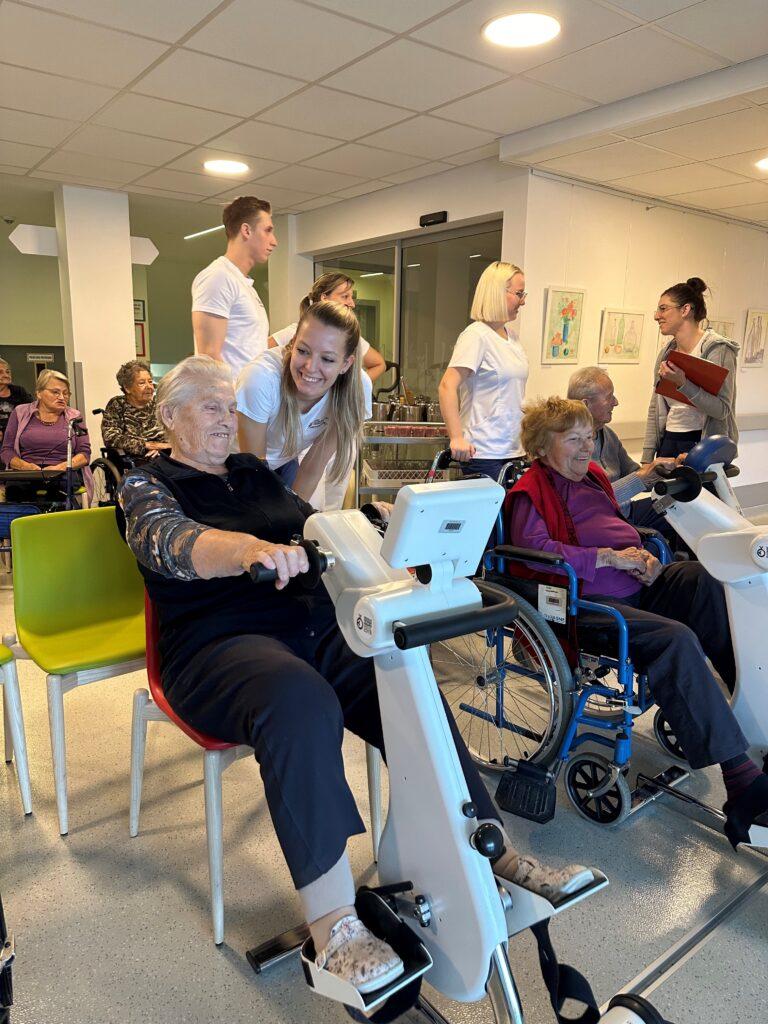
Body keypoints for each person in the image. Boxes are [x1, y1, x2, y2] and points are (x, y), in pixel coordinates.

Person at [118, 357, 594, 996]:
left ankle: (494, 853)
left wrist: (373, 523)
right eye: (211, 407)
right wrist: (250, 551)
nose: (227, 419)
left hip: (309, 629)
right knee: (301, 702)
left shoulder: (250, 471)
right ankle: (334, 926)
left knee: (406, 676)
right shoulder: (146, 484)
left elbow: (309, 520)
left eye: (230, 407)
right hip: (215, 646)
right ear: (170, 416)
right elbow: (172, 543)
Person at [505, 396, 768, 849]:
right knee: (674, 638)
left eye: (590, 437)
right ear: (542, 445)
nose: (587, 447)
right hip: (588, 605)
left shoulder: (594, 477)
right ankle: (740, 778)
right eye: (574, 439)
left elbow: (622, 527)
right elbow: (535, 554)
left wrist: (644, 557)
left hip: (636, 585)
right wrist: (608, 558)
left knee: (706, 581)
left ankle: (748, 706)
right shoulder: (530, 492)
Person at [236, 301, 371, 505]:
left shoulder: (357, 389)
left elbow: (314, 465)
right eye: (303, 351)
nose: (310, 367)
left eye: (327, 359)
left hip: (283, 461)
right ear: (293, 343)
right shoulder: (260, 379)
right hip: (232, 466)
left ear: (346, 364)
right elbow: (253, 471)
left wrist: (294, 517)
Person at [439, 261, 529, 481]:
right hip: (484, 451)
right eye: (519, 294)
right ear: (498, 292)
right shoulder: (476, 335)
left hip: (513, 448)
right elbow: (447, 386)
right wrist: (456, 438)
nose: (523, 301)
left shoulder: (512, 337)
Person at [643, 277, 739, 463]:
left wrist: (683, 383)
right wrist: (647, 458)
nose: (656, 316)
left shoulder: (718, 350)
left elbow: (722, 410)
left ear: (685, 310)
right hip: (669, 441)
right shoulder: (666, 353)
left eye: (663, 308)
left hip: (704, 445)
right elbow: (655, 406)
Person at [567, 367, 677, 524]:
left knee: (678, 503)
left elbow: (637, 475)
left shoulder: (608, 434)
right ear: (586, 404)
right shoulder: (569, 447)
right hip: (600, 523)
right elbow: (590, 501)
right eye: (609, 397)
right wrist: (641, 478)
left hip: (625, 513)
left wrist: (670, 470)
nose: (616, 402)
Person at [191, 195, 276, 375]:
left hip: (252, 390)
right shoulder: (218, 277)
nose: (274, 241)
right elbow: (208, 357)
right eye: (267, 231)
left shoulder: (244, 284)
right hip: (232, 392)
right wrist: (232, 394)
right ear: (246, 230)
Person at [268, 272, 387, 383]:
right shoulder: (296, 332)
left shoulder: (349, 338)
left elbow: (379, 364)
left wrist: (351, 390)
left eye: (328, 359)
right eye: (345, 296)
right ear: (324, 298)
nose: (352, 304)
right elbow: (260, 351)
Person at [0, 369, 91, 502]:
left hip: (62, 471)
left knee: (58, 491)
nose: (62, 397)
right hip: (27, 471)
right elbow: (6, 451)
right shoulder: (20, 412)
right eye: (55, 392)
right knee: (15, 490)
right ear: (39, 393)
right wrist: (27, 467)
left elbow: (84, 454)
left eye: (66, 393)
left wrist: (58, 469)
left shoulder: (75, 416)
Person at [101, 360, 169, 465]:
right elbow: (111, 437)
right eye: (142, 383)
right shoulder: (117, 404)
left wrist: (161, 448)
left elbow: (175, 430)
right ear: (127, 388)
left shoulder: (159, 403)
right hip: (134, 460)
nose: (149, 386)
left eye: (150, 382)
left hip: (162, 454)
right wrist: (146, 445)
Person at [0, 360, 32, 440]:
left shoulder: (19, 391)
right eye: (0, 372)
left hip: (18, 435)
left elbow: (32, 411)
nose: (6, 375)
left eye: (7, 372)